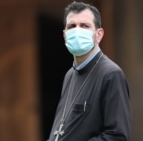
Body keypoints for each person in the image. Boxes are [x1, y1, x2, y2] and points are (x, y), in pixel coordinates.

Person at [47, 1, 131, 141]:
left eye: (84, 26)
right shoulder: (69, 75)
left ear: (99, 34)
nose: (77, 31)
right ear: (64, 35)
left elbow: (117, 136)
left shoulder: (111, 74)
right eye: (71, 26)